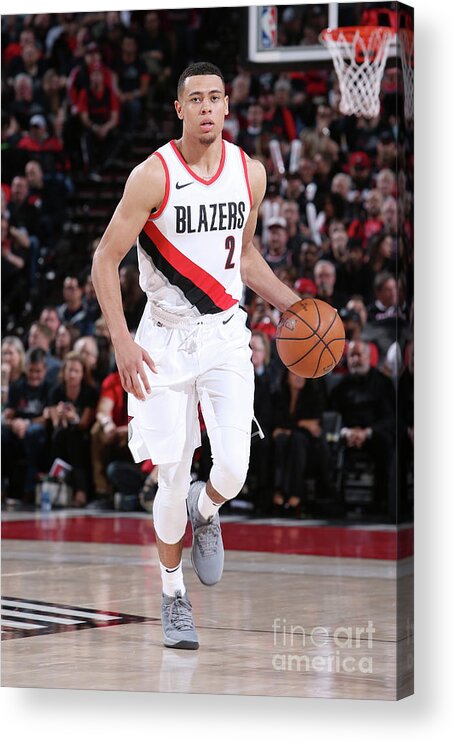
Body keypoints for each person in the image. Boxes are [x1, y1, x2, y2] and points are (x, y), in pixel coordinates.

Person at [91, 62, 300, 650]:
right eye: (195, 99)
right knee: (169, 478)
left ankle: (206, 510)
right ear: (179, 109)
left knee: (232, 469)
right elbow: (105, 259)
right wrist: (121, 340)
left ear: (228, 105)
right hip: (161, 339)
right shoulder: (151, 176)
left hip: (226, 334)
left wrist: (294, 305)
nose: (207, 107)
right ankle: (172, 594)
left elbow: (246, 258)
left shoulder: (249, 173)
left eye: (216, 97)